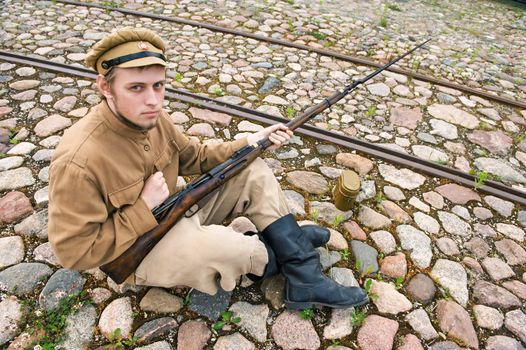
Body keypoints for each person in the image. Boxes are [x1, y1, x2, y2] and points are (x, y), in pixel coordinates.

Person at [48, 27, 368, 310]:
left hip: (176, 211)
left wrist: (252, 141)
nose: (153, 100)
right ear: (105, 87)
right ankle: (282, 247)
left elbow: (196, 157)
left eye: (158, 86)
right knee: (231, 249)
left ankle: (302, 273)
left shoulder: (154, 118)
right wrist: (142, 208)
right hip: (134, 253)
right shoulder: (79, 161)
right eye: (136, 88)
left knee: (251, 170)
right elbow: (74, 253)